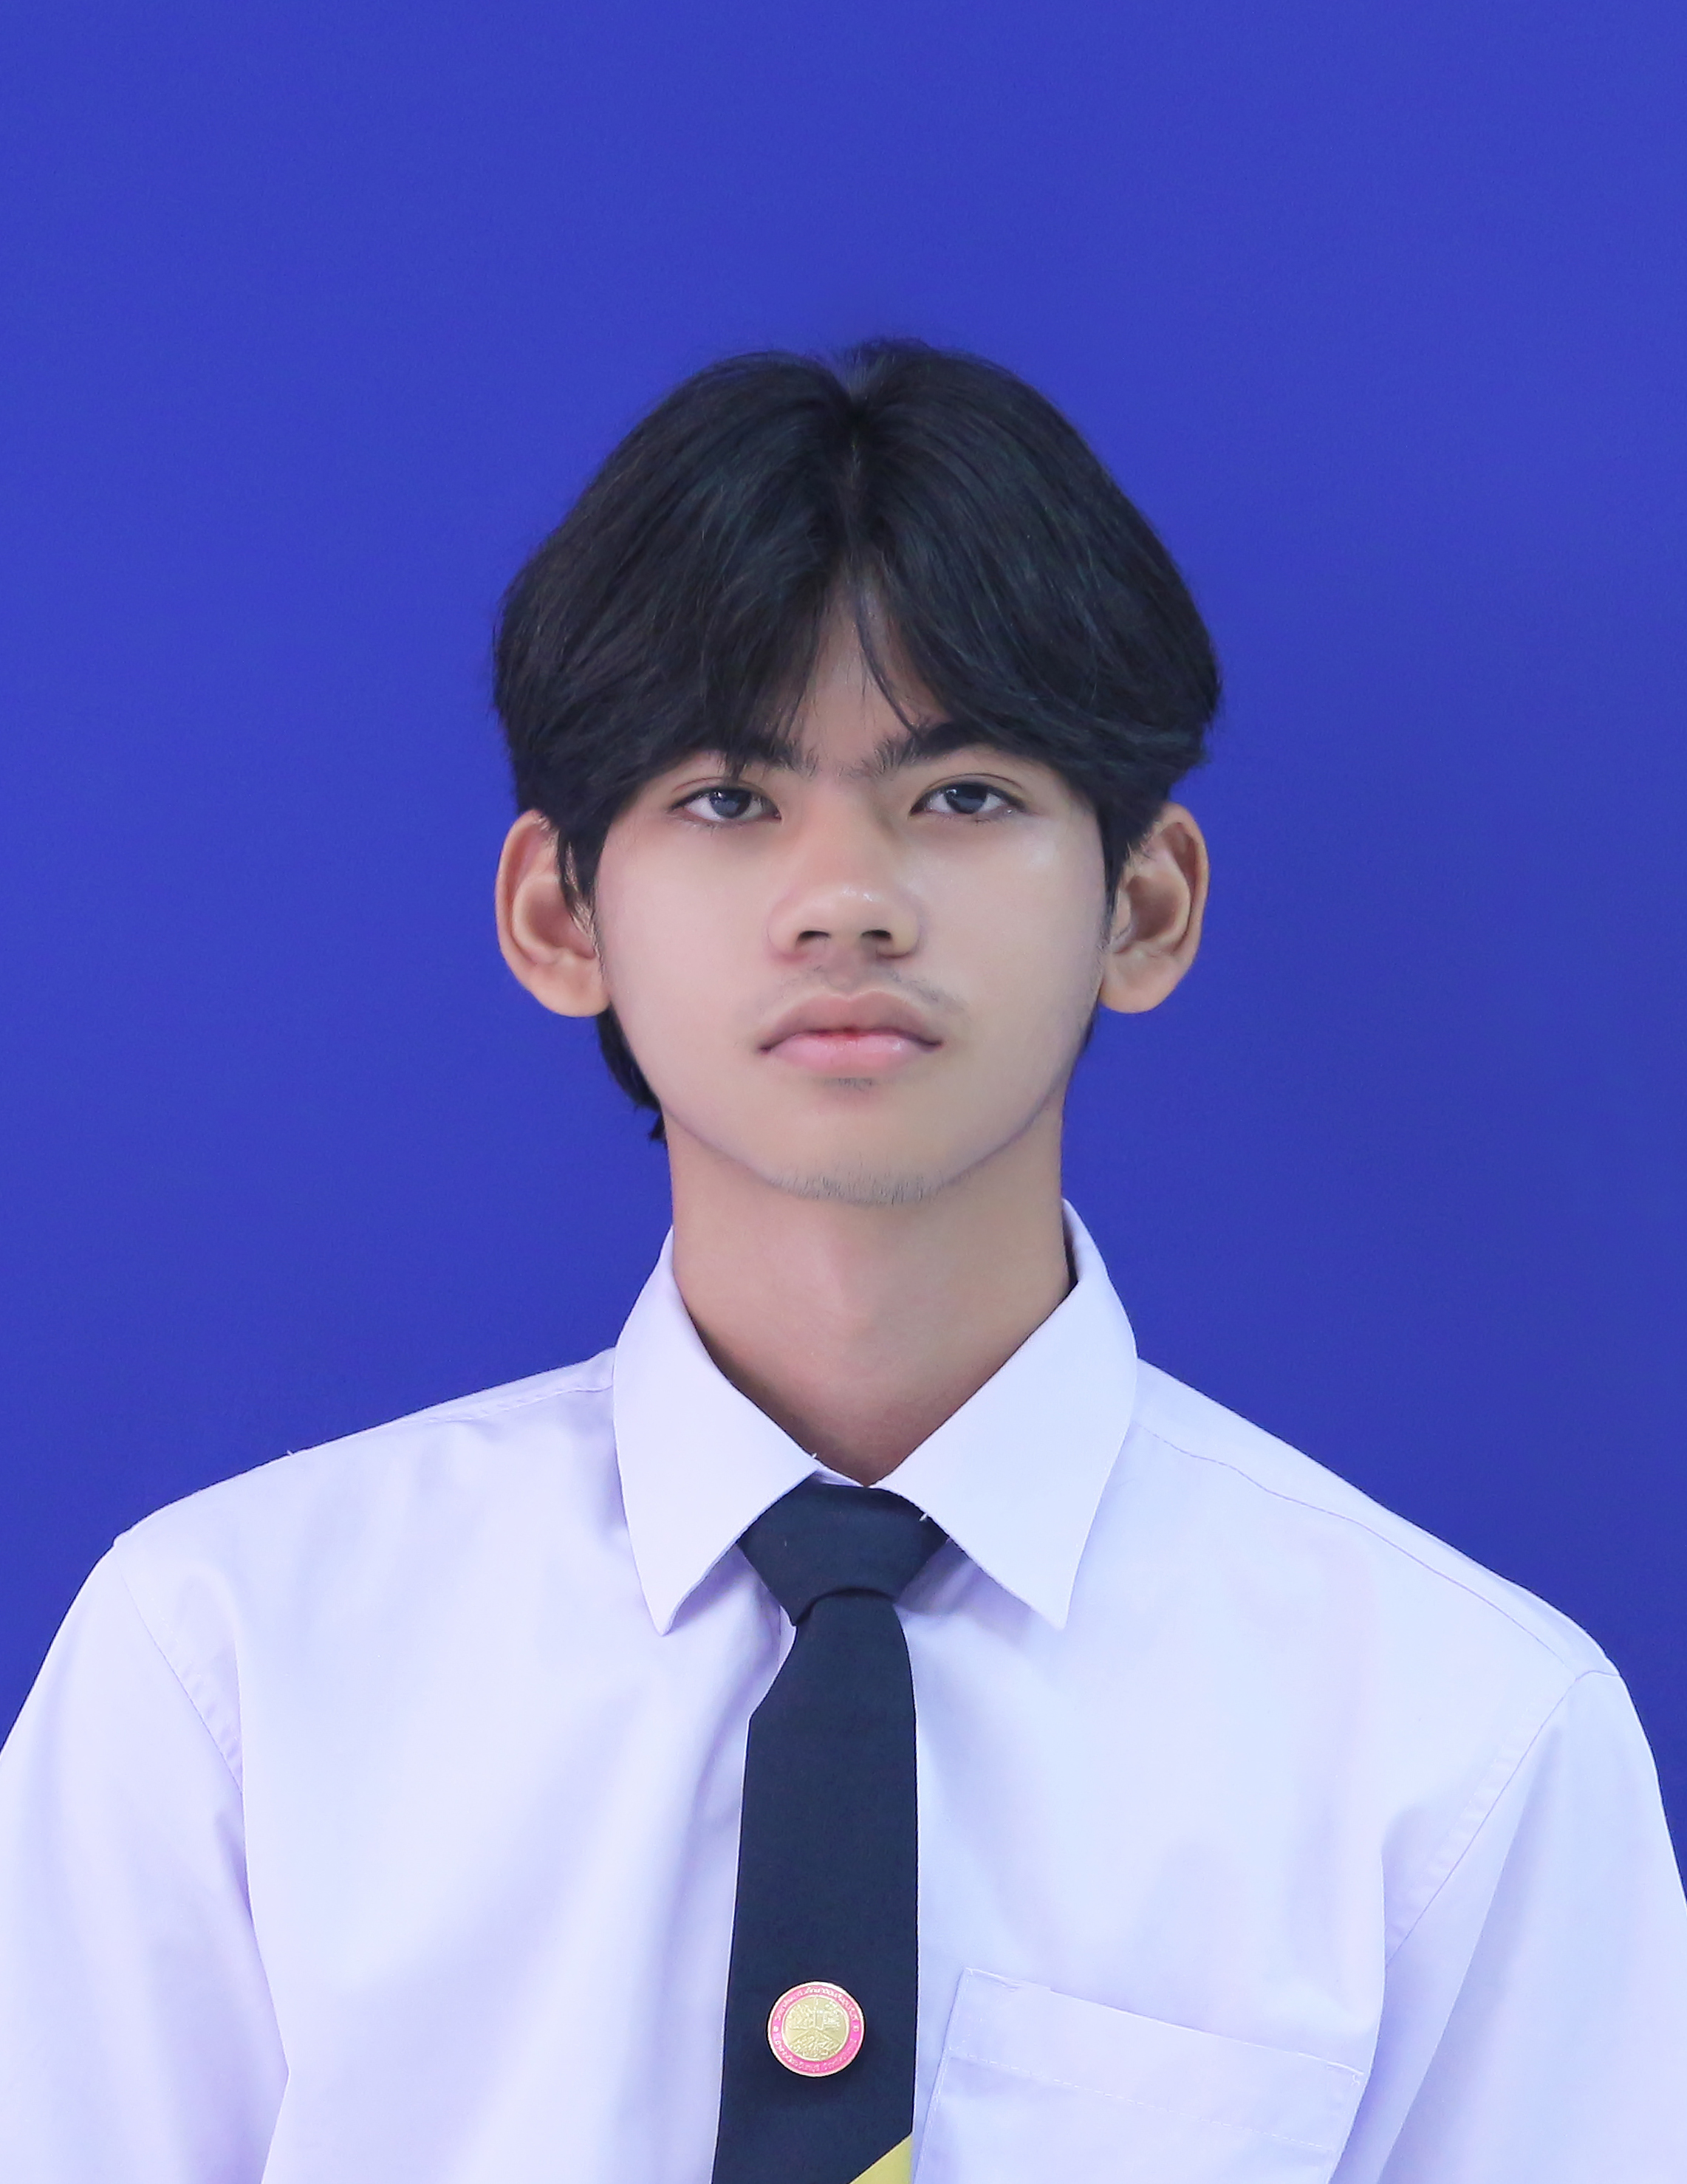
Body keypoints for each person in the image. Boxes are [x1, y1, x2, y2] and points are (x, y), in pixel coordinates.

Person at [0, 343, 1682, 2184]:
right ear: (560, 914)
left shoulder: (1456, 1740)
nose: (846, 899)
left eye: (960, 795)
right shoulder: (231, 1670)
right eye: (730, 799)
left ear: (1143, 905)